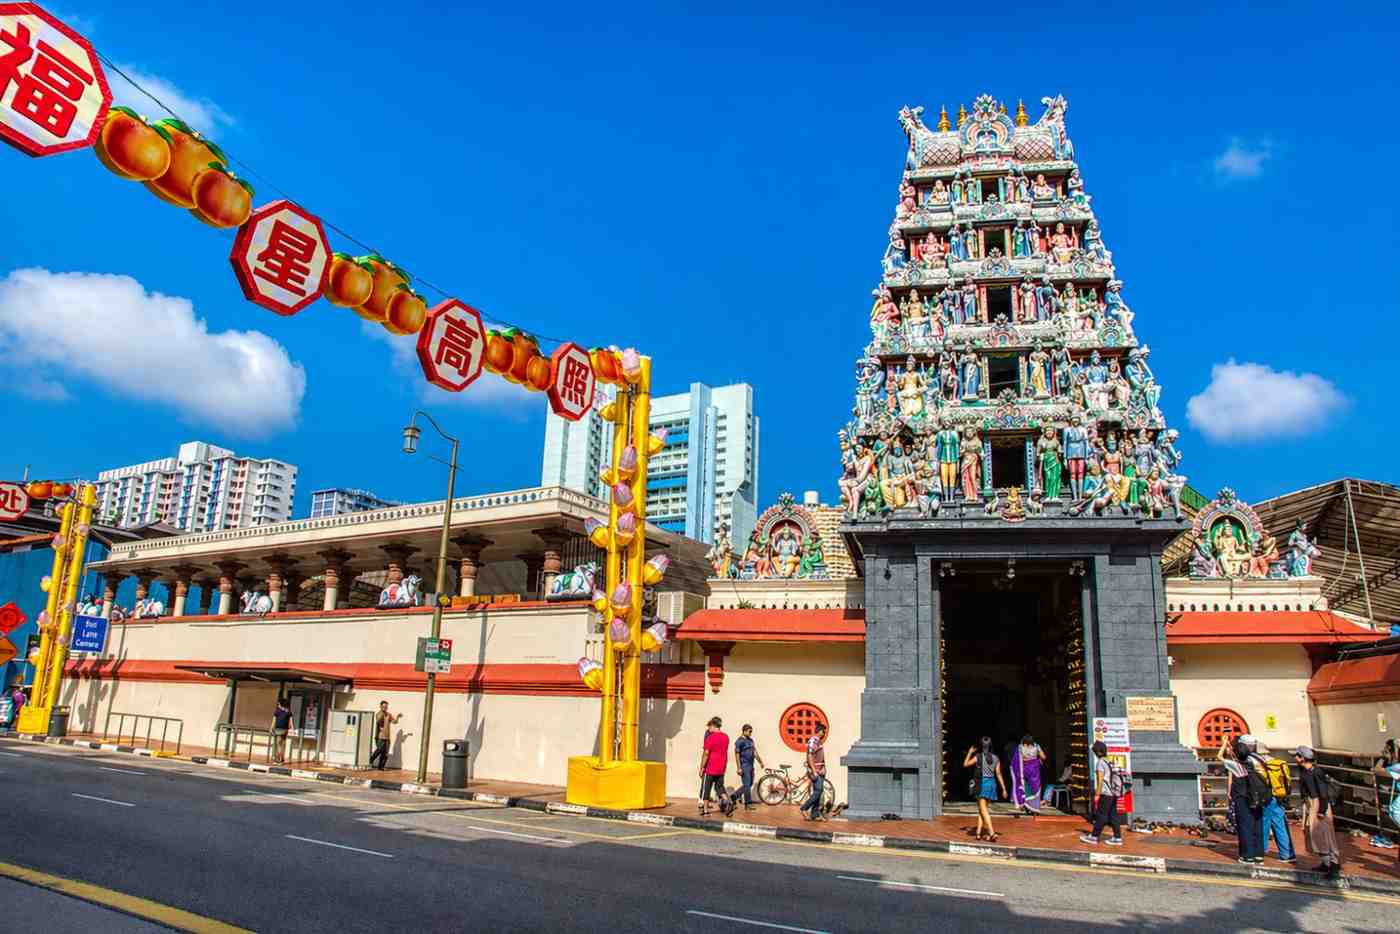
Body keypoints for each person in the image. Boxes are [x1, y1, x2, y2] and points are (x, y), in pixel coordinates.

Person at [1294, 745, 1342, 876]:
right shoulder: (1306, 771)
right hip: (1313, 803)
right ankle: (1326, 863)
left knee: (1325, 834)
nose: (1295, 758)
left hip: (1319, 804)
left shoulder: (1315, 772)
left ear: (1303, 758)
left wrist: (1321, 810)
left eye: (1297, 756)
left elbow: (1323, 793)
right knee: (1316, 835)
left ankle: (1333, 864)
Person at [1229, 734, 1269, 864]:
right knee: (1258, 825)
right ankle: (1259, 855)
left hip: (1243, 797)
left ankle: (1247, 855)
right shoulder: (1259, 760)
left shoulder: (1237, 765)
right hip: (1259, 796)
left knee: (1245, 826)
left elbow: (1222, 757)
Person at [1257, 743, 1297, 864]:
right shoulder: (1279, 763)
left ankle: (1261, 851)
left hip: (1266, 798)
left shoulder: (1260, 765)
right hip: (1279, 797)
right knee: (1280, 825)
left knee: (1263, 824)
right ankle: (1287, 854)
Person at [1080, 740, 1125, 846]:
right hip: (1114, 792)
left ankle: (1094, 836)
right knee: (1114, 816)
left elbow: (1100, 781)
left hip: (1106, 792)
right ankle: (1117, 838)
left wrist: (1097, 794)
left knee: (1101, 815)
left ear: (1097, 752)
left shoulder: (1100, 763)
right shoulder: (1109, 760)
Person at [963, 736, 1005, 841]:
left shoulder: (978, 756)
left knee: (984, 810)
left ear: (981, 746)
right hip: (992, 784)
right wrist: (1004, 788)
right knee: (982, 810)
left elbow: (965, 764)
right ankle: (978, 833)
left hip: (982, 784)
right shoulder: (996, 758)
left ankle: (991, 832)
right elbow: (999, 774)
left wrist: (969, 752)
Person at [698, 716, 729, 815]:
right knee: (719, 788)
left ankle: (706, 810)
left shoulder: (710, 737)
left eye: (709, 726)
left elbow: (706, 753)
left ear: (713, 725)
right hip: (721, 767)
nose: (708, 729)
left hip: (710, 767)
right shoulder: (726, 737)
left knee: (706, 789)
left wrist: (702, 767)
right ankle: (728, 802)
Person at [800, 723, 829, 821]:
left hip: (820, 770)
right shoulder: (813, 741)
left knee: (818, 792)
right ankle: (804, 808)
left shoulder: (819, 741)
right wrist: (813, 770)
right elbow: (809, 755)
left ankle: (815, 814)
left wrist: (823, 769)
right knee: (818, 791)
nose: (824, 733)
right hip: (815, 771)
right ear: (820, 731)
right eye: (823, 731)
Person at [1011, 734, 1046, 813]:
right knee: (1035, 788)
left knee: (1025, 787)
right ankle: (1034, 807)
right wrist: (1037, 758)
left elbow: (1016, 761)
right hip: (1034, 771)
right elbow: (1044, 757)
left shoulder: (1020, 747)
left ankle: (1026, 805)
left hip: (1024, 770)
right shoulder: (1036, 746)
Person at [733, 724, 765, 811]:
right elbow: (737, 755)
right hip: (744, 765)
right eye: (749, 731)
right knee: (747, 785)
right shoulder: (739, 741)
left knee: (749, 784)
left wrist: (760, 762)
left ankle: (734, 796)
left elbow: (755, 752)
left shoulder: (751, 740)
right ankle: (748, 804)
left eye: (751, 731)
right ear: (744, 731)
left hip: (751, 765)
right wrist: (739, 768)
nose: (751, 733)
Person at [370, 701, 400, 770]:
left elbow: (395, 722)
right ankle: (370, 761)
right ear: (380, 707)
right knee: (379, 750)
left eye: (386, 707)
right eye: (383, 706)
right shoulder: (379, 714)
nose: (385, 708)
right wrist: (383, 714)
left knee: (385, 753)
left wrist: (398, 717)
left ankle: (381, 767)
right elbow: (378, 721)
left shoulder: (388, 714)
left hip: (387, 737)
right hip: (380, 736)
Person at [270, 697, 293, 764]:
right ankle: (282, 759)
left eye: (279, 703)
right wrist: (291, 728)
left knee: (279, 744)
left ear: (281, 704)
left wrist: (271, 728)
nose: (278, 705)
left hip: (279, 729)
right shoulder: (288, 711)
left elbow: (273, 721)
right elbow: (291, 722)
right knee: (282, 744)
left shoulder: (277, 711)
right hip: (285, 730)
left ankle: (278, 760)